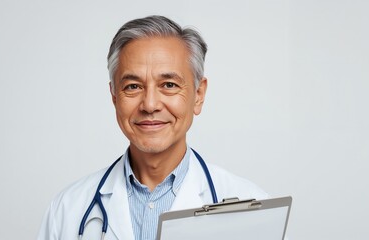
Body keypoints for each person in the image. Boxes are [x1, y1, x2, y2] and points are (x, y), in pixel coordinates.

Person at [37, 15, 268, 240]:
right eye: (133, 86)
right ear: (114, 96)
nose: (149, 105)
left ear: (198, 95)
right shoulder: (67, 210)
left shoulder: (253, 208)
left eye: (169, 85)